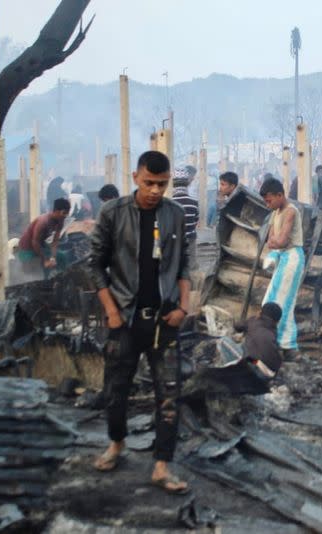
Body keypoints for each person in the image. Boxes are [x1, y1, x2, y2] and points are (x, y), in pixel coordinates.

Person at [88, 151, 191, 494]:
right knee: (115, 390)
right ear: (135, 177)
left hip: (165, 321)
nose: (155, 190)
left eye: (162, 184)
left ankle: (162, 464)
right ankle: (117, 443)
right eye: (149, 183)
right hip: (125, 320)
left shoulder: (175, 215)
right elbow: (94, 265)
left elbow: (185, 264)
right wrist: (111, 310)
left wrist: (184, 307)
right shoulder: (112, 213)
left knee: (169, 395)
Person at [181, 302, 282, 399]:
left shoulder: (253, 321)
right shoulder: (273, 331)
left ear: (260, 312)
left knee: (224, 341)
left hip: (254, 365)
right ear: (277, 321)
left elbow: (237, 326)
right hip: (270, 374)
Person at [259, 177, 305, 353]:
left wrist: (276, 242)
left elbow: (281, 240)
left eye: (269, 200)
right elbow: (272, 240)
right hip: (282, 257)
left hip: (293, 257)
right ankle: (276, 342)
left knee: (284, 302)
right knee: (270, 300)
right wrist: (276, 242)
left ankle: (287, 346)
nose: (267, 204)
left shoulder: (290, 212)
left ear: (280, 195)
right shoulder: (275, 213)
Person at [16, 197, 70, 280]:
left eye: (67, 213)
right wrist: (45, 259)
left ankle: (64, 278)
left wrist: (53, 257)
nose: (66, 216)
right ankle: (45, 282)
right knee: (43, 265)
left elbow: (55, 241)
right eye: (64, 213)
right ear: (56, 211)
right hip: (27, 249)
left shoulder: (60, 221)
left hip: (41, 246)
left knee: (62, 256)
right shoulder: (43, 222)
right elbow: (35, 242)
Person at [171, 167, 199, 271]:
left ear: (173, 184)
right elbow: (196, 221)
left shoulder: (170, 203)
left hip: (175, 238)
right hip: (190, 237)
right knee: (191, 265)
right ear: (188, 183)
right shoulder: (194, 202)